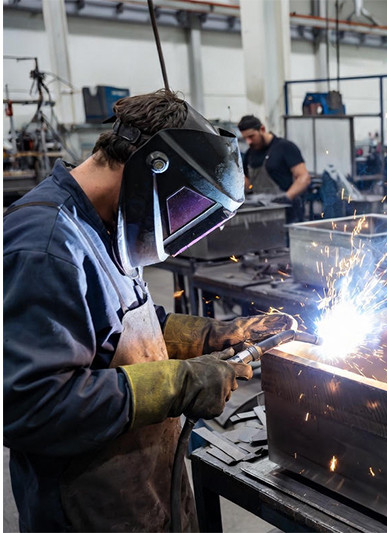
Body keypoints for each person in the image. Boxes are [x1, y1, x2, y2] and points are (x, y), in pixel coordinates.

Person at [4, 89, 296, 531]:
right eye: (188, 209)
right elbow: (31, 406)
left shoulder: (107, 223)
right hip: (87, 508)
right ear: (152, 171)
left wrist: (217, 335)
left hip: (141, 487)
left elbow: (127, 327)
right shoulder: (45, 246)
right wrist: (180, 382)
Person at [237, 114, 311, 223]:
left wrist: (287, 197)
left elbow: (304, 177)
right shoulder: (249, 154)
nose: (249, 142)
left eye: (251, 136)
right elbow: (247, 183)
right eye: (245, 138)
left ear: (262, 129)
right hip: (262, 213)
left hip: (287, 213)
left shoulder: (285, 147)